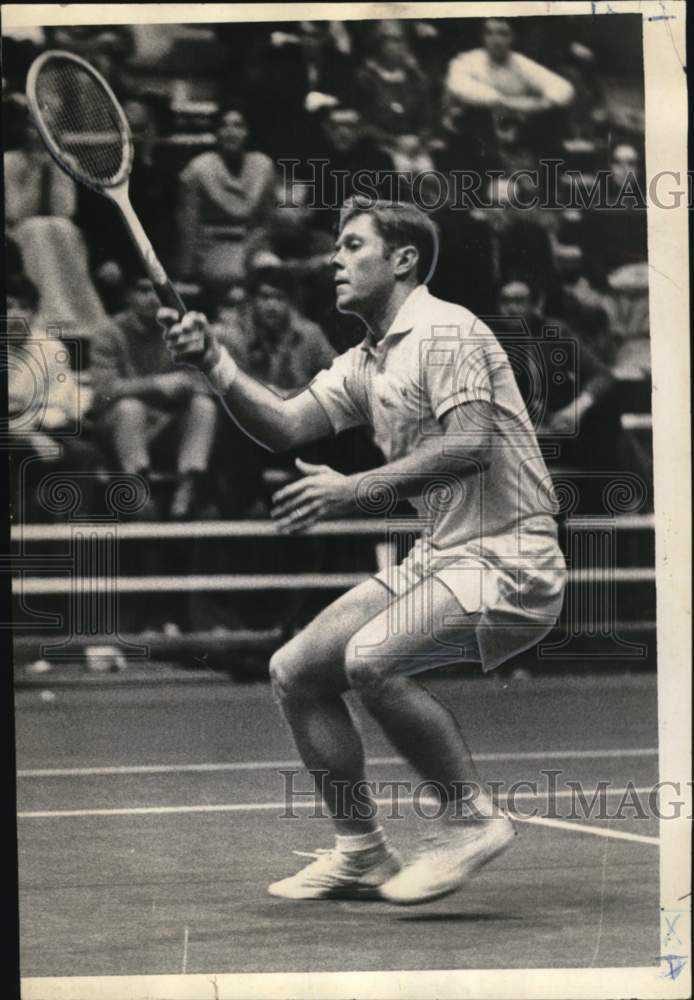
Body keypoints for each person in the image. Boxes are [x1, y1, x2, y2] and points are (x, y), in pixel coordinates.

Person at [159, 199, 567, 905]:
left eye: (352, 246)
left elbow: (471, 445)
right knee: (296, 670)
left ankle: (471, 821)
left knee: (372, 658)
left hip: (511, 555)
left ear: (402, 258)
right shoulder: (368, 360)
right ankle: (362, 853)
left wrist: (355, 490)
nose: (334, 260)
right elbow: (287, 425)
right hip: (443, 557)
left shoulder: (447, 331)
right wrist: (216, 365)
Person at [90, 276, 218, 520]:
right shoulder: (109, 331)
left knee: (203, 406)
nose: (152, 298)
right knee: (131, 409)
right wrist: (155, 385)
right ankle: (137, 493)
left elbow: (205, 382)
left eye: (158, 292)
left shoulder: (182, 330)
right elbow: (102, 392)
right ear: (128, 296)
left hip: (165, 427)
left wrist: (188, 383)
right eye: (142, 290)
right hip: (116, 428)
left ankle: (187, 490)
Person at [176, 103, 276, 285]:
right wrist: (187, 272)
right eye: (223, 126)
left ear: (248, 132)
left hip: (252, 245)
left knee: (271, 270)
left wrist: (254, 246)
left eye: (238, 126)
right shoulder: (199, 168)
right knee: (231, 275)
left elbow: (267, 219)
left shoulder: (263, 165)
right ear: (215, 133)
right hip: (212, 248)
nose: (231, 132)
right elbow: (189, 224)